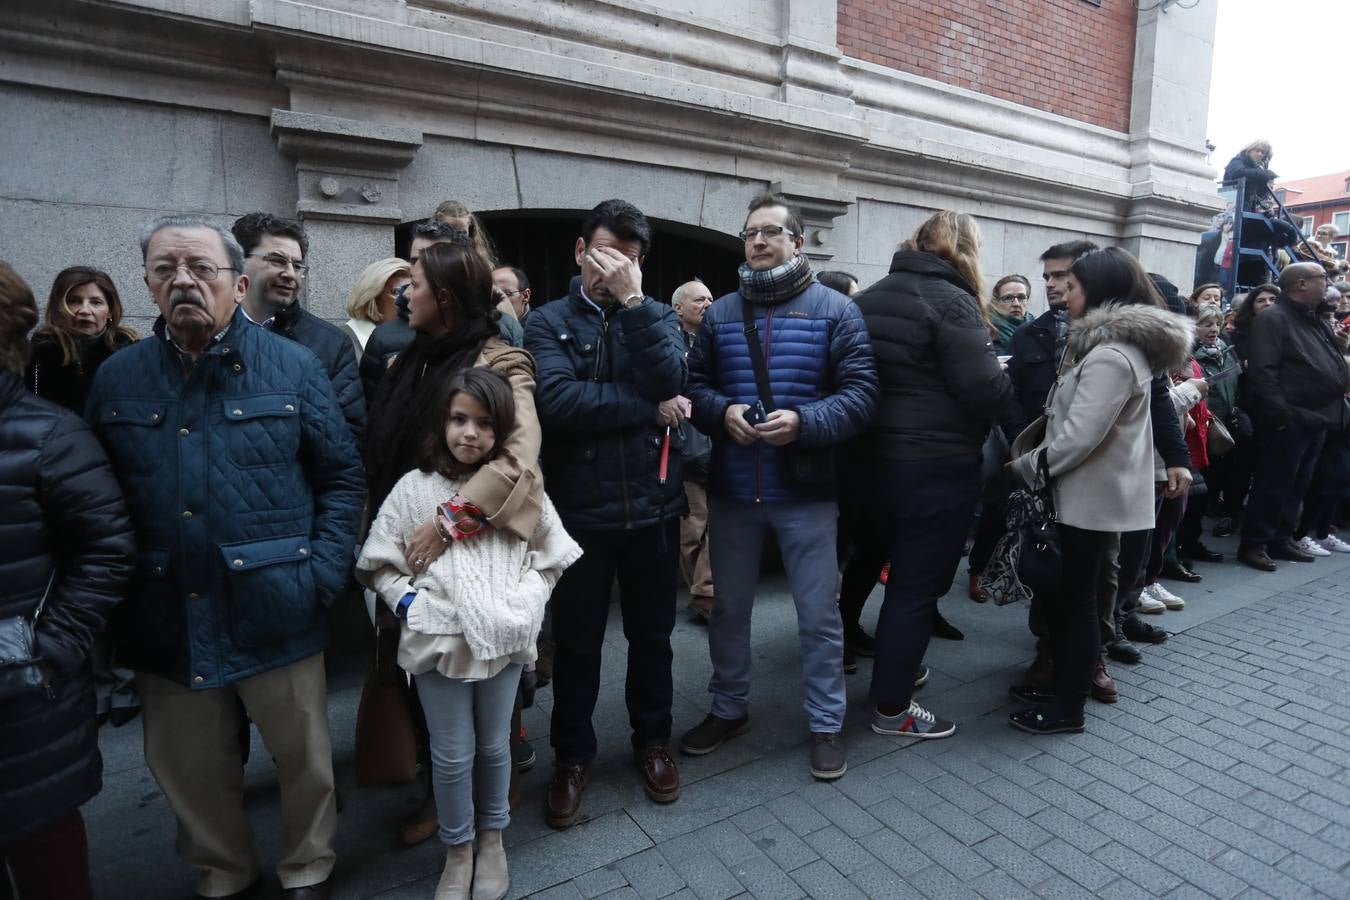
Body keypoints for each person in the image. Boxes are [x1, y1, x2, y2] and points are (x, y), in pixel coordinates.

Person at [85, 215, 365, 900]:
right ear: (147, 283)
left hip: (279, 603)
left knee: (303, 757)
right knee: (189, 764)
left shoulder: (295, 366)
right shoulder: (118, 379)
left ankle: (309, 866)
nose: (183, 280)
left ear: (238, 284)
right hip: (165, 610)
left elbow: (341, 477)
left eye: (200, 268)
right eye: (165, 268)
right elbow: (96, 502)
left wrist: (321, 576)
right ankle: (225, 871)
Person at [357, 367, 580, 900]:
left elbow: (552, 557)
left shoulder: (518, 489)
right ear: (442, 421)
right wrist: (409, 603)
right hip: (439, 644)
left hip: (503, 640)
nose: (470, 434)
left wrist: (523, 605)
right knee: (450, 754)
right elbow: (378, 563)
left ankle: (492, 839)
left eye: (484, 424)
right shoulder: (414, 490)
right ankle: (457, 850)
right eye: (459, 419)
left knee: (495, 747)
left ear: (501, 432)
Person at [681, 193, 876, 780]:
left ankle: (825, 724)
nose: (759, 242)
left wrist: (806, 423)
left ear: (797, 241)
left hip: (806, 495)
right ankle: (728, 708)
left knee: (818, 616)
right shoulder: (720, 314)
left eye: (771, 232)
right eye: (750, 234)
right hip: (735, 491)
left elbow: (862, 395)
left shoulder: (836, 311)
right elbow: (695, 387)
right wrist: (723, 413)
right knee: (728, 610)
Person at [364, 240, 543, 847]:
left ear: (443, 296)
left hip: (473, 544)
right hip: (409, 547)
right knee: (424, 666)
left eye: (411, 282)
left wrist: (450, 522)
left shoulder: (501, 360)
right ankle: (442, 787)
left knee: (489, 663)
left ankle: (493, 791)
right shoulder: (405, 359)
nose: (401, 293)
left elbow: (519, 458)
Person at [526, 199, 689, 825]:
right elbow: (561, 402)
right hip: (581, 513)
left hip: (654, 505)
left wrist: (633, 306)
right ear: (577, 251)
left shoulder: (652, 315)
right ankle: (572, 757)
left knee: (653, 638)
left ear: (640, 262)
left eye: (626, 255)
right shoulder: (547, 321)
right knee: (578, 644)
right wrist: (648, 409)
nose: (610, 264)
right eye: (601, 251)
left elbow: (672, 375)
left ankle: (653, 743)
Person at [1008, 247, 1194, 734]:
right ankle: (1063, 688)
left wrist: (1026, 468)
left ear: (1099, 291)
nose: (1063, 294)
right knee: (1078, 601)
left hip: (1090, 499)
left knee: (1080, 604)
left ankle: (1068, 705)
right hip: (1094, 494)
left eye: (1072, 286)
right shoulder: (1112, 348)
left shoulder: (1111, 355)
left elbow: (1079, 436)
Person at [0, 263, 134, 900]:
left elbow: (103, 552)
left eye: (97, 300)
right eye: (75, 301)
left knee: (43, 847)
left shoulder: (47, 432)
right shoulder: (46, 361)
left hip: (24, 690)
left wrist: (42, 652)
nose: (88, 310)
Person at [850, 211, 1010, 741]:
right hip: (934, 467)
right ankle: (892, 708)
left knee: (875, 569)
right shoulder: (953, 300)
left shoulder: (869, 295)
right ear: (965, 249)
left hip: (869, 463)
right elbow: (986, 390)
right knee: (915, 589)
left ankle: (896, 669)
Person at [1238, 263, 1349, 571]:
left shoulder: (1314, 318)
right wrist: (1282, 415)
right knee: (1274, 483)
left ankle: (1281, 538)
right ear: (1301, 284)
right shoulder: (1274, 319)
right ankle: (1255, 543)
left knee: (1298, 484)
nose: (1327, 284)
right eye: (1321, 279)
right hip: (1290, 419)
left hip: (1318, 417)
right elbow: (1263, 372)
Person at [232, 213, 366, 442]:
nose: (290, 274)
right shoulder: (207, 332)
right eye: (277, 260)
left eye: (297, 265)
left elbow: (348, 436)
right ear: (238, 261)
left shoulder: (331, 344)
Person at [24, 266, 138, 414]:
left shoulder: (131, 353)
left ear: (110, 310)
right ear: (58, 307)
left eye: (96, 302)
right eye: (74, 301)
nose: (85, 310)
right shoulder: (37, 354)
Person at [1180, 303, 1239, 563]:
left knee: (1206, 492)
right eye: (1206, 324)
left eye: (1217, 324)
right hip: (1194, 430)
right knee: (1192, 495)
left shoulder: (1226, 354)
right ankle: (1180, 548)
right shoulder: (1187, 357)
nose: (1213, 329)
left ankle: (1191, 543)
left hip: (1215, 428)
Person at [671, 280, 716, 621]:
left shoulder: (720, 339)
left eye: (711, 298)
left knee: (718, 527)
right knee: (692, 531)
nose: (708, 303)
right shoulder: (668, 343)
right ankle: (702, 591)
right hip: (685, 449)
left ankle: (705, 595)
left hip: (719, 445)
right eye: (700, 299)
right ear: (679, 308)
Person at [343, 257, 410, 356]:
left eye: (412, 291)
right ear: (372, 297)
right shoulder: (343, 340)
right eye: (397, 292)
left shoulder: (418, 337)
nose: (407, 299)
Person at [988, 274, 1033, 354]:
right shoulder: (987, 331)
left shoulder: (1037, 329)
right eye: (1008, 298)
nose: (1016, 304)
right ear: (997, 302)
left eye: (1021, 297)